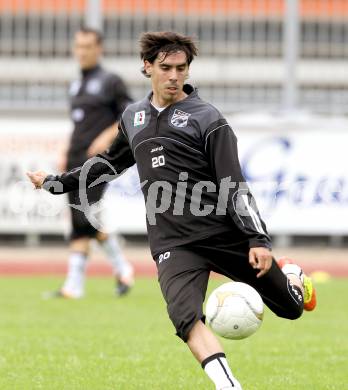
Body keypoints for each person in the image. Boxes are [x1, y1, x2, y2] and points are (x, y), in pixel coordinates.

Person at [28, 31, 316, 389]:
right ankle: (229, 386)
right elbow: (108, 164)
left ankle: (292, 276)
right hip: (173, 243)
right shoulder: (133, 117)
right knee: (185, 319)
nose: (174, 76)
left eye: (182, 68)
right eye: (166, 68)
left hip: (222, 232)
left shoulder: (208, 118)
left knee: (291, 309)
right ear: (147, 67)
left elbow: (234, 183)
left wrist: (258, 240)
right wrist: (57, 183)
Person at [51, 26, 134, 298]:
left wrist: (105, 137)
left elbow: (129, 115)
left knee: (84, 215)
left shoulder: (112, 82)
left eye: (87, 46)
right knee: (81, 220)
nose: (82, 52)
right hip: (74, 160)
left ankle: (117, 269)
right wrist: (65, 147)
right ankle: (82, 283)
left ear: (99, 49)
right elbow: (77, 124)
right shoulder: (76, 85)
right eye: (78, 46)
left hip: (98, 162)